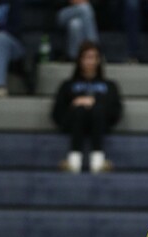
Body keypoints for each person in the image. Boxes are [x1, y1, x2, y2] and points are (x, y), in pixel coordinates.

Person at [52, 40, 122, 174]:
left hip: (101, 122)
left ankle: (98, 161)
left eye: (93, 57)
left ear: (99, 60)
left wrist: (95, 103)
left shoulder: (110, 86)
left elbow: (116, 112)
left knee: (97, 110)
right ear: (80, 60)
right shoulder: (68, 85)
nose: (90, 61)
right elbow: (57, 113)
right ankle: (73, 161)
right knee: (80, 110)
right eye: (86, 57)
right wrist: (75, 105)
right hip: (73, 121)